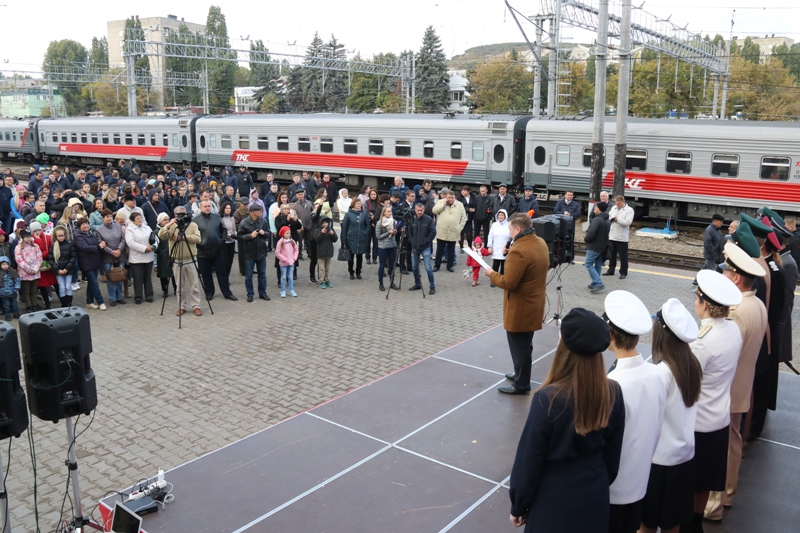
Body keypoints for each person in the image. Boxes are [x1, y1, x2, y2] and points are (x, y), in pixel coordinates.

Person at [509, 308, 625, 533]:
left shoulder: (549, 399)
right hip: (595, 494)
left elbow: (529, 459)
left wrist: (519, 504)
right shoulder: (613, 392)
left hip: (553, 501)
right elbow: (613, 455)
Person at [604, 290, 667, 533]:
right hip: (640, 482)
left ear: (610, 335)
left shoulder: (613, 383)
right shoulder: (656, 374)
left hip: (613, 489)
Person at [687, 269, 743, 532]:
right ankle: (697, 523)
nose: (694, 302)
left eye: (697, 298)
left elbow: (686, 382)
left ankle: (689, 524)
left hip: (697, 424)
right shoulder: (733, 330)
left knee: (689, 483)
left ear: (706, 304)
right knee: (706, 482)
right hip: (719, 419)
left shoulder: (701, 341)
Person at [639, 299, 702, 533]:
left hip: (658, 462)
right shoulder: (691, 364)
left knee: (645, 525)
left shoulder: (660, 373)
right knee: (672, 525)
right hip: (684, 459)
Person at [484, 213, 549, 394]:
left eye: (510, 229)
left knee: (519, 346)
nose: (509, 232)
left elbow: (508, 283)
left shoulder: (519, 250)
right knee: (525, 343)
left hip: (520, 307)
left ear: (518, 229)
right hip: (534, 303)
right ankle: (520, 374)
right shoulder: (540, 242)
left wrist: (491, 274)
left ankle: (522, 384)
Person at [158, 206, 203, 316]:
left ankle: (196, 305)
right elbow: (161, 235)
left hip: (191, 259)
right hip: (177, 260)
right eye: (179, 214)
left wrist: (183, 237)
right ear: (175, 215)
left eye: (184, 214)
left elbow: (198, 238)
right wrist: (168, 224)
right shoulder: (172, 226)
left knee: (194, 285)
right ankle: (181, 306)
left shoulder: (192, 225)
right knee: (179, 286)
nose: (182, 216)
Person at [194, 200, 238, 301]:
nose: (207, 208)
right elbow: (193, 234)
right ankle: (209, 292)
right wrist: (200, 245)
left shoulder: (217, 217)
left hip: (218, 251)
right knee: (206, 274)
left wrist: (221, 241)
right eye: (205, 206)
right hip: (203, 252)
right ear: (200, 207)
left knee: (222, 273)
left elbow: (224, 230)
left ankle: (227, 293)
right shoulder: (195, 220)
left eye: (209, 206)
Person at [237, 204, 272, 302]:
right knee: (249, 276)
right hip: (249, 253)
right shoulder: (244, 222)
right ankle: (250, 294)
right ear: (253, 212)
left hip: (261, 252)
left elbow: (269, 234)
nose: (261, 212)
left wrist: (264, 233)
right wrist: (250, 236)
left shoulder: (263, 221)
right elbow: (240, 237)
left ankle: (262, 293)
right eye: (259, 211)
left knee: (262, 274)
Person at [95, 209, 127, 306]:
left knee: (120, 276)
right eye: (107, 217)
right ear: (102, 218)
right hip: (108, 257)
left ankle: (119, 296)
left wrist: (119, 250)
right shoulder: (99, 230)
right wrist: (112, 252)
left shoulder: (118, 226)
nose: (109, 218)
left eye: (110, 216)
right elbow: (101, 244)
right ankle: (112, 298)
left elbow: (123, 239)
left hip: (119, 255)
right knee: (110, 277)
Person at [73, 218, 106, 310]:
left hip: (95, 261)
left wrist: (101, 244)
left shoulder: (91, 233)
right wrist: (98, 246)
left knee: (91, 283)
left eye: (87, 223)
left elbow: (96, 243)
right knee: (94, 283)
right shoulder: (78, 236)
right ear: (79, 226)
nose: (86, 225)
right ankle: (101, 302)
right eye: (83, 224)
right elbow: (85, 247)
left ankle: (89, 302)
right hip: (86, 263)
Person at [432, 189, 467, 272]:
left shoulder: (459, 204)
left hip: (453, 231)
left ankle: (450, 266)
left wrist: (459, 228)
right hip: (442, 231)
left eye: (452, 197)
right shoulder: (441, 202)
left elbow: (463, 218)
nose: (450, 199)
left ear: (454, 197)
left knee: (451, 250)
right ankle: (437, 266)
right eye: (448, 197)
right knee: (439, 250)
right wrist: (443, 205)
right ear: (446, 197)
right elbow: (434, 210)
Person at [125, 212, 155, 304]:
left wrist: (153, 246)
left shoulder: (147, 227)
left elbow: (154, 238)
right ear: (133, 220)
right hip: (136, 258)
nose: (140, 220)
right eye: (137, 218)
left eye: (140, 218)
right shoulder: (130, 230)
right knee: (138, 278)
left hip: (148, 257)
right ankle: (138, 296)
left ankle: (149, 295)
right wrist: (144, 248)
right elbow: (131, 243)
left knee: (148, 277)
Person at [407, 203, 437, 295]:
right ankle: (417, 284)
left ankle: (432, 286)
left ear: (424, 210)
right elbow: (409, 233)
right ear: (415, 210)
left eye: (421, 210)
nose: (419, 212)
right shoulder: (412, 219)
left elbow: (433, 232)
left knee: (428, 268)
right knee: (414, 267)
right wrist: (412, 242)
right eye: (418, 210)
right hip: (415, 247)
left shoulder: (429, 219)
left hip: (425, 247)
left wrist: (425, 241)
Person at [604, 195, 635, 279]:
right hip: (612, 235)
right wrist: (610, 219)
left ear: (623, 202)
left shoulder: (629, 210)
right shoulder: (613, 208)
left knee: (623, 256)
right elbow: (608, 217)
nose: (618, 205)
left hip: (622, 237)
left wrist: (618, 220)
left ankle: (623, 272)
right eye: (617, 203)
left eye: (619, 204)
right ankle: (611, 270)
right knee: (612, 255)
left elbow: (628, 222)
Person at [341, 198, 370, 280]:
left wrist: (365, 233)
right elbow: (344, 228)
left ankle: (358, 272)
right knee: (351, 256)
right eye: (358, 203)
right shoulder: (348, 214)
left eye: (360, 203)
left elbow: (368, 225)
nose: (359, 205)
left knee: (360, 256)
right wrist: (344, 240)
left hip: (361, 238)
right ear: (353, 204)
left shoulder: (364, 214)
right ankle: (351, 272)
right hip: (351, 238)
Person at [584, 201, 610, 293]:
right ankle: (595, 283)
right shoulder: (607, 219)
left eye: (595, 207)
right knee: (598, 264)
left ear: (599, 209)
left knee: (588, 264)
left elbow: (591, 234)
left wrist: (586, 237)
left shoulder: (597, 220)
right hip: (602, 246)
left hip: (594, 246)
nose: (594, 208)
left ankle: (598, 283)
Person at [14, 229, 42, 313]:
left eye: (29, 236)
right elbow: (19, 260)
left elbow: (39, 258)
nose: (28, 238)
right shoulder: (18, 247)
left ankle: (34, 304)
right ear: (22, 237)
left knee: (34, 290)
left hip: (35, 272)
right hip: (24, 273)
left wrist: (35, 269)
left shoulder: (35, 246)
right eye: (26, 237)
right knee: (26, 291)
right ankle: (29, 306)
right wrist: (28, 269)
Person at [30, 221, 56, 309]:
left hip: (48, 265)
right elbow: (34, 253)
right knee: (42, 287)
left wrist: (43, 254)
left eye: (39, 230)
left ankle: (64, 302)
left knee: (56, 284)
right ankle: (48, 304)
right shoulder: (31, 241)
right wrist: (38, 241)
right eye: (35, 231)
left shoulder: (48, 238)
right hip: (39, 267)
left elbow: (50, 251)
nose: (37, 232)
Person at [374, 205, 399, 292]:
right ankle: (381, 283)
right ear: (384, 212)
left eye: (391, 211)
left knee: (392, 266)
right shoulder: (379, 223)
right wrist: (388, 232)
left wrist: (395, 232)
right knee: (382, 266)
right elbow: (378, 236)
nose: (390, 213)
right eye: (388, 211)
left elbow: (395, 232)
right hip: (383, 247)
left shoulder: (393, 221)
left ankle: (392, 282)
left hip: (392, 246)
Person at [50, 226, 75, 308]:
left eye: (62, 235)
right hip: (58, 270)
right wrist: (57, 269)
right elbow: (51, 259)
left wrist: (67, 268)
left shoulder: (70, 244)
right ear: (55, 236)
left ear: (65, 235)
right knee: (61, 287)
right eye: (59, 236)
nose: (61, 237)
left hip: (68, 269)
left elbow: (73, 257)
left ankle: (69, 303)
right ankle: (64, 304)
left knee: (68, 286)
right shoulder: (53, 245)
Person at [312, 217, 337, 289]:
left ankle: (327, 280)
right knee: (321, 268)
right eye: (323, 223)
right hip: (321, 252)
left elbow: (335, 239)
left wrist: (333, 234)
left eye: (326, 223)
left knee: (327, 268)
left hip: (329, 252)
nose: (325, 224)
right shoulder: (318, 230)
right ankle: (321, 281)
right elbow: (316, 239)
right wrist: (321, 233)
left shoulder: (331, 229)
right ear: (321, 224)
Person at [486, 209, 510, 284]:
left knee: (504, 266)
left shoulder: (509, 225)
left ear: (505, 216)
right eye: (499, 215)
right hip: (496, 248)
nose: (500, 216)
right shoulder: (494, 225)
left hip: (505, 249)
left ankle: (502, 281)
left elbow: (512, 237)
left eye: (502, 215)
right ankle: (494, 280)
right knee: (495, 265)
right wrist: (489, 246)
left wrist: (509, 247)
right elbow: (490, 236)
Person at [275, 226, 298, 298]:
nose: (288, 234)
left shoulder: (292, 241)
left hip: (291, 263)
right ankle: (283, 290)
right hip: (283, 264)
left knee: (290, 277)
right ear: (283, 234)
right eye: (287, 233)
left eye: (289, 233)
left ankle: (291, 290)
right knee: (283, 277)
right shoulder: (280, 242)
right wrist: (285, 259)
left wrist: (294, 258)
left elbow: (296, 250)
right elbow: (277, 253)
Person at [220, 203, 237, 278]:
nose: (228, 210)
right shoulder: (220, 218)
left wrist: (234, 235)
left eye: (229, 208)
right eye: (226, 208)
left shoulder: (232, 218)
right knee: (225, 261)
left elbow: (234, 229)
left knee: (230, 261)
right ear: (223, 209)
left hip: (232, 241)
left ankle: (227, 276)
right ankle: (224, 277)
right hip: (224, 242)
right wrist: (226, 236)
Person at [456, 185, 476, 251]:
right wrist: (468, 209)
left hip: (469, 218)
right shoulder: (459, 197)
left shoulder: (473, 196)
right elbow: (459, 207)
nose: (463, 192)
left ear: (468, 191)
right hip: (461, 218)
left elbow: (475, 204)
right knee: (461, 233)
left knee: (469, 233)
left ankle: (470, 246)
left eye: (464, 190)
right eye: (462, 190)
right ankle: (461, 247)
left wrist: (474, 209)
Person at [365, 189, 380, 265]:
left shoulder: (379, 202)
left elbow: (380, 211)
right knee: (367, 241)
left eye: (375, 194)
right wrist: (371, 217)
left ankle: (374, 258)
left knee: (376, 242)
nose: (373, 196)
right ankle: (367, 257)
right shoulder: (367, 202)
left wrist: (375, 219)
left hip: (377, 224)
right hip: (369, 223)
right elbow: (366, 211)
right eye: (372, 194)